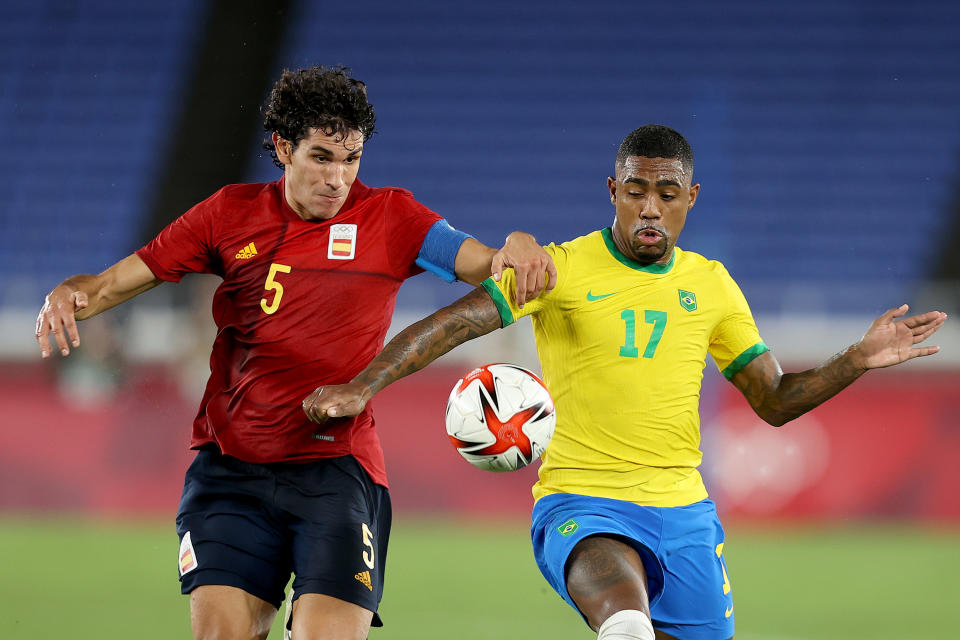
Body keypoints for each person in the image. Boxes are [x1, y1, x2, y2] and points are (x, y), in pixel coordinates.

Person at [302, 124, 948, 640]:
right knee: (626, 623)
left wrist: (854, 361)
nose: (650, 208)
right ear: (612, 189)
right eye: (636, 190)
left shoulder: (711, 283)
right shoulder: (558, 268)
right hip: (585, 507)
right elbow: (453, 324)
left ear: (689, 199)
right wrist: (364, 385)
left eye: (667, 195)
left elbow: (774, 402)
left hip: (686, 514)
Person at [34, 65, 555, 640]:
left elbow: (490, 263)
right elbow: (107, 285)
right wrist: (66, 294)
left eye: (351, 159)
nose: (338, 178)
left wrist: (519, 243)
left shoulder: (392, 217)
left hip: (336, 472)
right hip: (231, 474)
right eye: (322, 157)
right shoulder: (227, 213)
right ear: (283, 147)